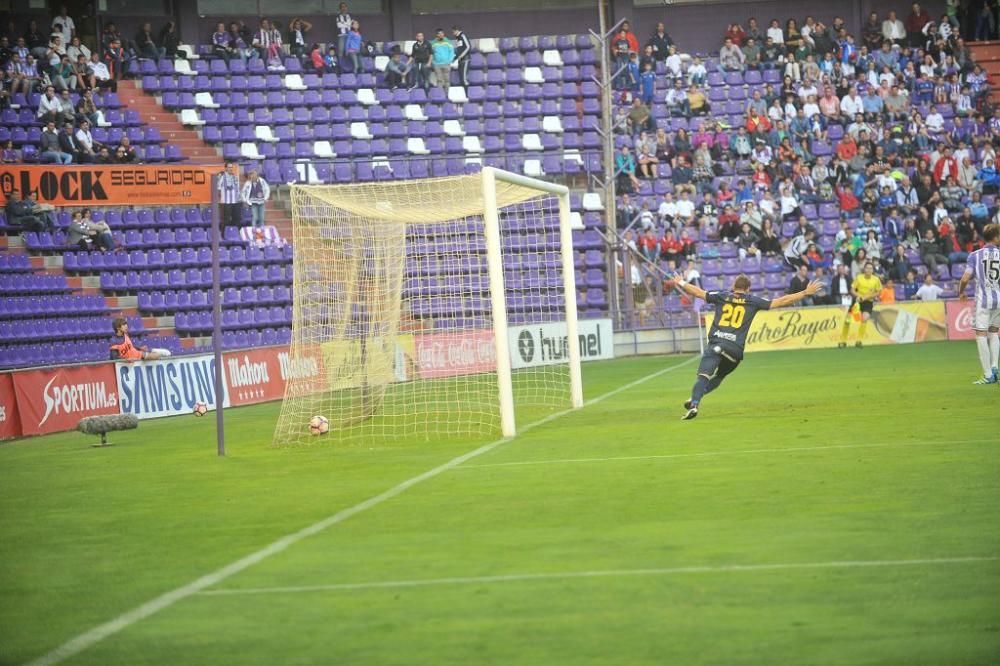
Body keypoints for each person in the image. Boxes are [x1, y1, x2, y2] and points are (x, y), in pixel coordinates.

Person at [672, 272, 822, 419]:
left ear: (733, 286)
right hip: (734, 351)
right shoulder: (753, 300)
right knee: (720, 376)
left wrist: (681, 282)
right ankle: (694, 397)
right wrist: (805, 292)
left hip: (717, 344)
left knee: (704, 376)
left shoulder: (722, 296)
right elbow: (781, 301)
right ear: (748, 289)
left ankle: (695, 404)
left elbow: (698, 293)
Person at [957, 223, 1000, 384]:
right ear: (995, 238)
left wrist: (961, 292)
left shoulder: (975, 255)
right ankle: (995, 366)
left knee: (981, 334)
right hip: (999, 299)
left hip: (983, 301)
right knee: (994, 332)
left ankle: (988, 375)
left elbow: (966, 278)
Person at [839, 261, 882, 348]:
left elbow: (878, 292)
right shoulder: (859, 278)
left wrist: (867, 297)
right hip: (857, 301)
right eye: (867, 268)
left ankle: (859, 341)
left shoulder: (876, 280)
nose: (869, 270)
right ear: (864, 269)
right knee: (847, 321)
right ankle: (843, 341)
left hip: (868, 302)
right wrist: (859, 296)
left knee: (864, 318)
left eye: (871, 268)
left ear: (873, 270)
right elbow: (852, 290)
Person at [218, 161, 241, 228]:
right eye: (229, 167)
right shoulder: (222, 177)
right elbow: (218, 188)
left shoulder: (235, 176)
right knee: (226, 220)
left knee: (236, 219)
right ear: (226, 168)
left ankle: (235, 233)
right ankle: (225, 234)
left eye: (231, 167)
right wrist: (222, 199)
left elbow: (237, 188)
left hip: (236, 201)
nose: (230, 169)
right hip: (226, 202)